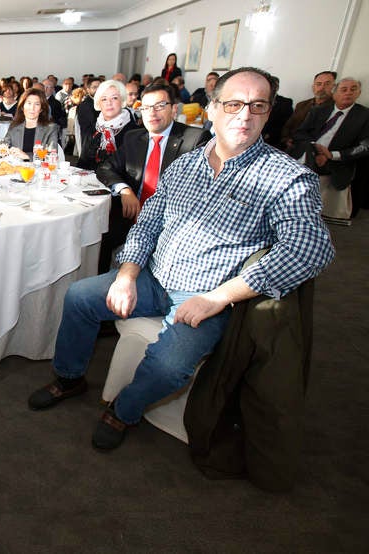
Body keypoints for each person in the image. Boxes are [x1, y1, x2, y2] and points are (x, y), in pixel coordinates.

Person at [27, 67, 334, 452]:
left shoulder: (286, 177)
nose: (245, 115)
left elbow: (310, 250)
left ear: (269, 113)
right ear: (212, 109)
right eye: (234, 104)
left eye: (257, 106)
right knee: (79, 297)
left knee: (170, 364)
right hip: (154, 277)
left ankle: (124, 409)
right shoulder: (186, 165)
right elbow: (149, 222)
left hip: (210, 295)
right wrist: (126, 273)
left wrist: (219, 297)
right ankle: (70, 377)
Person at [96, 83, 211, 273]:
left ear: (174, 109)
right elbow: (106, 167)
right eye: (146, 107)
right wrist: (125, 190)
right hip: (131, 215)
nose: (152, 113)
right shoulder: (134, 137)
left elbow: (196, 191)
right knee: (98, 236)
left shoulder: (195, 139)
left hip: (168, 223)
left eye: (160, 106)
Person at [291, 77, 369, 225]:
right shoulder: (318, 110)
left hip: (338, 158)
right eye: (343, 89)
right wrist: (315, 149)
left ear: (359, 93)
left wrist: (332, 155)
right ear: (334, 94)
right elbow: (300, 133)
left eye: (353, 89)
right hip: (310, 151)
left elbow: (365, 146)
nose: (348, 93)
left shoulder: (364, 115)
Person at [77, 80, 138, 170]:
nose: (109, 103)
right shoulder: (94, 130)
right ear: (99, 103)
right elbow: (82, 164)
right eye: (104, 99)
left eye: (114, 98)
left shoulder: (134, 134)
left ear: (122, 101)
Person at [282, 71, 337, 152]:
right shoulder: (301, 105)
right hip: (292, 146)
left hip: (315, 151)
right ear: (313, 87)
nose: (322, 88)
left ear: (334, 87)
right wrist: (286, 139)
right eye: (318, 84)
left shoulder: (336, 108)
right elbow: (288, 125)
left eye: (327, 84)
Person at [1, 88, 60, 160]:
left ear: (41, 109)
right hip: (16, 168)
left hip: (39, 169)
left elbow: (51, 155)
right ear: (22, 106)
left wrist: (27, 156)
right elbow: (5, 145)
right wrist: (2, 149)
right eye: (29, 103)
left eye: (37, 104)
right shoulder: (14, 126)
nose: (32, 108)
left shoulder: (50, 128)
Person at [261, 77, 293, 148]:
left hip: (274, 139)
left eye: (274, 85)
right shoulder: (258, 100)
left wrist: (269, 134)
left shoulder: (286, 102)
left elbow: (286, 123)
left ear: (277, 87)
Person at [76, 77, 102, 150]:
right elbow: (94, 126)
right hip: (91, 143)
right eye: (94, 87)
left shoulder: (102, 102)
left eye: (100, 87)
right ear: (88, 90)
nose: (98, 90)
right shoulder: (85, 105)